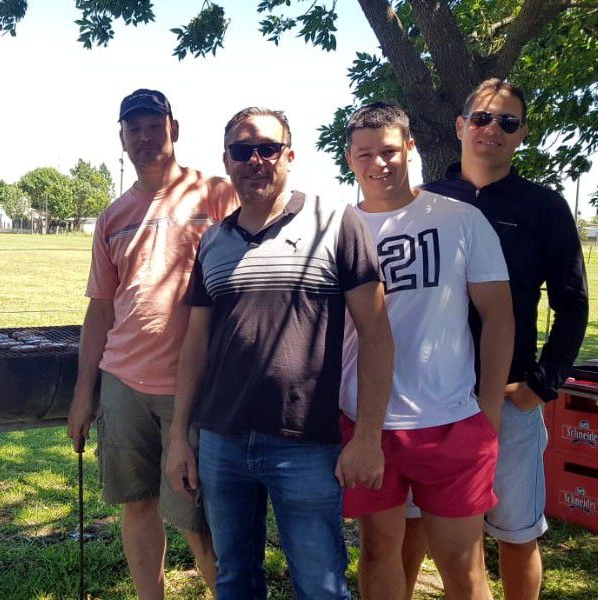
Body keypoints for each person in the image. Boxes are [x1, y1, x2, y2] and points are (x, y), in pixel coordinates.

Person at [165, 107, 394, 599]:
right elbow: (195, 346)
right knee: (234, 578)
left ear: (289, 156)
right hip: (222, 442)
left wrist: (369, 436)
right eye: (243, 150)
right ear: (227, 160)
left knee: (320, 584)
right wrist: (180, 437)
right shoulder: (215, 242)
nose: (256, 159)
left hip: (305, 444)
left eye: (268, 148)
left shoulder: (336, 222)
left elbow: (376, 334)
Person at [403, 78, 589, 599]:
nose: (493, 130)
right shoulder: (421, 203)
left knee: (515, 534)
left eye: (507, 122)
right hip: (430, 399)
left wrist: (540, 385)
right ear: (461, 126)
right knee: (415, 526)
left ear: (522, 134)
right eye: (483, 118)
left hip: (510, 397)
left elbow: (572, 304)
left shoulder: (544, 207)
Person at [339, 102, 514, 599]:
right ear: (350, 158)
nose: (380, 163)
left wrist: (491, 408)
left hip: (451, 419)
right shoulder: (338, 228)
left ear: (409, 148)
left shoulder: (460, 218)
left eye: (390, 150)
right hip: (367, 422)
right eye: (366, 154)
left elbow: (498, 315)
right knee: (378, 553)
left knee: (462, 564)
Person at [66, 88, 237, 598]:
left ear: (174, 129)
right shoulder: (113, 216)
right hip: (122, 383)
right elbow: (100, 308)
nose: (144, 136)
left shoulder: (217, 196)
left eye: (153, 125)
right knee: (137, 504)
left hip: (195, 386)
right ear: (121, 139)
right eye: (133, 128)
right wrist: (84, 394)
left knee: (197, 518)